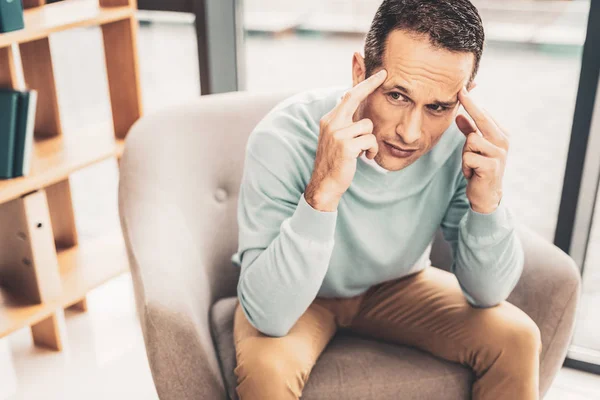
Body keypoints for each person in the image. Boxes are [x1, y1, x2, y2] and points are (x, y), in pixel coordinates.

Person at [230, 0, 542, 399]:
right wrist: (322, 192)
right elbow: (269, 316)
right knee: (267, 368)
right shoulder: (282, 136)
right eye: (397, 95)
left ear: (464, 98)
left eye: (438, 107)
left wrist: (488, 203)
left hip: (398, 285)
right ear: (360, 72)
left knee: (517, 339)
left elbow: (488, 293)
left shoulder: (461, 144)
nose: (411, 133)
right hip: (299, 297)